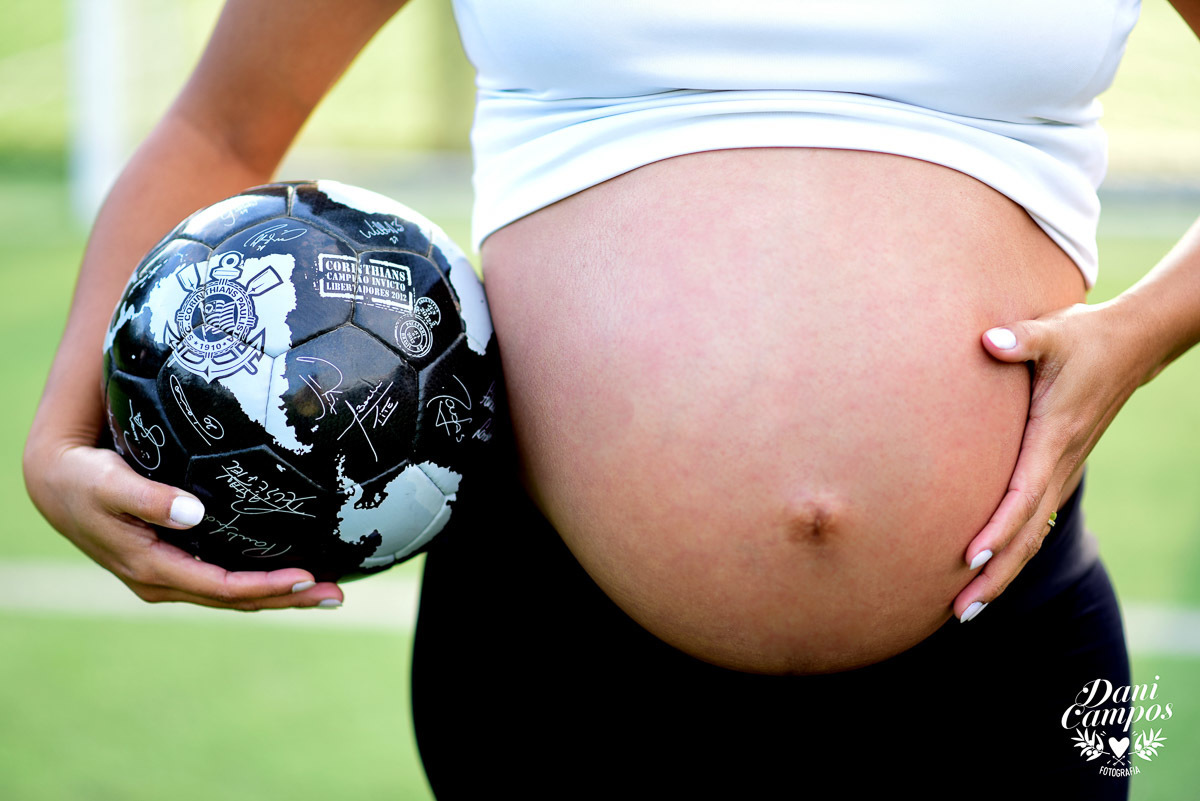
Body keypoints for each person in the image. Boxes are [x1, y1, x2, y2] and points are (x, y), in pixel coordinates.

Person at [21, 0, 1200, 796]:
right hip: (563, 656)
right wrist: (57, 440)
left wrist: (1141, 334)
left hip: (998, 644)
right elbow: (221, 124)